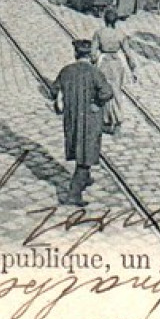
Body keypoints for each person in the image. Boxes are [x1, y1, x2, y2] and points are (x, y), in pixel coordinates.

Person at [53, 39, 114, 205]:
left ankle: (85, 178)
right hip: (90, 120)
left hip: (72, 119)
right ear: (90, 55)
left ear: (75, 54)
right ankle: (74, 193)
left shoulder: (66, 71)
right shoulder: (94, 72)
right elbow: (107, 92)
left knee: (78, 147)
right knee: (86, 154)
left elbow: (54, 90)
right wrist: (96, 103)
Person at [93, 10, 137, 134]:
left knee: (103, 90)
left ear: (105, 19)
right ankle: (117, 119)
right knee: (116, 91)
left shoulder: (99, 33)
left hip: (103, 63)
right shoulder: (120, 34)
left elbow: (93, 53)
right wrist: (133, 69)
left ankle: (106, 118)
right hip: (117, 65)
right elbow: (128, 53)